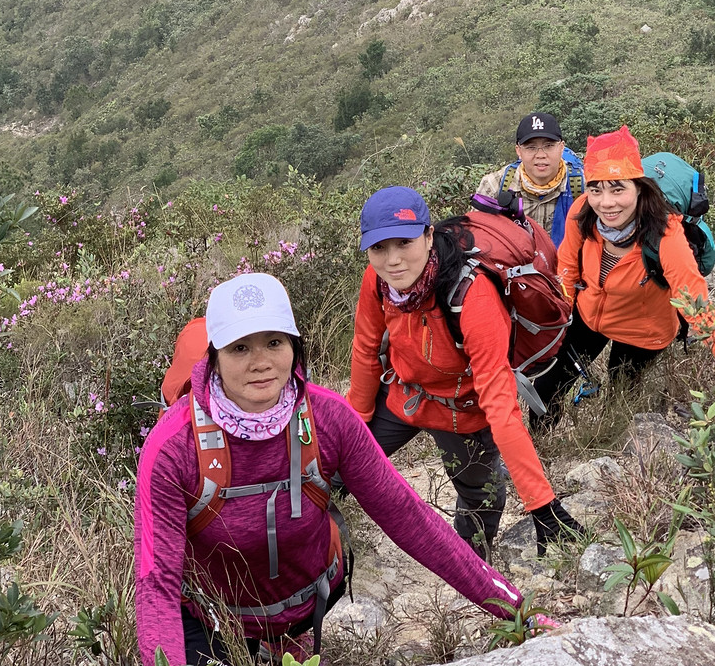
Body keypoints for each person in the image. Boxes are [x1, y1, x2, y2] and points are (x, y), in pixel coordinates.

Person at [135, 272, 530, 666]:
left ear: (293, 345)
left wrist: (517, 612)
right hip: (212, 616)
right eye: (240, 348)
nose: (261, 363)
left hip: (307, 597)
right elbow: (157, 584)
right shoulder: (174, 447)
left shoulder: (328, 419)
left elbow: (410, 518)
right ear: (214, 357)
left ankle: (285, 639)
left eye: (274, 342)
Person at [347, 186, 582, 558]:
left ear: (428, 236)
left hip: (463, 409)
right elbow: (364, 348)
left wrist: (542, 504)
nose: (392, 261)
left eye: (404, 243)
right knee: (335, 468)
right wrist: (354, 429)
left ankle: (471, 566)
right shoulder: (378, 282)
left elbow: (500, 404)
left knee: (480, 499)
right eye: (379, 248)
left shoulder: (472, 296)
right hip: (405, 394)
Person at [536, 126, 715, 420]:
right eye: (596, 189)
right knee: (547, 388)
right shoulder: (583, 212)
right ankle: (540, 450)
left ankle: (608, 438)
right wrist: (557, 324)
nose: (606, 203)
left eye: (618, 188)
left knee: (620, 397)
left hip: (643, 329)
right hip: (588, 314)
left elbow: (699, 309)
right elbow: (567, 269)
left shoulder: (665, 234)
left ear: (639, 186)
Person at [476, 112, 584, 247]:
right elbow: (476, 239)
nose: (540, 155)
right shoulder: (494, 186)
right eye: (531, 147)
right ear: (518, 151)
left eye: (549, 146)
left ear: (561, 147)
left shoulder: (581, 186)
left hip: (565, 266)